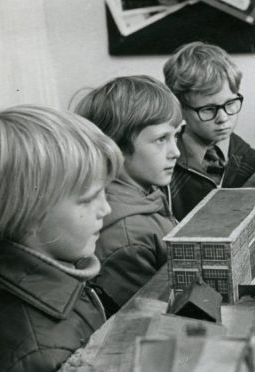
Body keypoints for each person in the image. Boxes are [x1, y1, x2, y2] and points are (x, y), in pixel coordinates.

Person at [0, 105, 123, 372]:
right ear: (29, 215)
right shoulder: (42, 353)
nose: (106, 209)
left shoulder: (35, 270)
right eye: (89, 199)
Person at [75, 75, 180, 316]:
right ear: (115, 146)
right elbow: (144, 322)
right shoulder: (127, 236)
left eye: (175, 136)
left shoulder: (145, 193)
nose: (176, 152)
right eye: (161, 139)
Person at [163, 41, 255, 220]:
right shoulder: (165, 167)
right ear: (180, 109)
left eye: (230, 104)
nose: (223, 118)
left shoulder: (253, 161)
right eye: (208, 109)